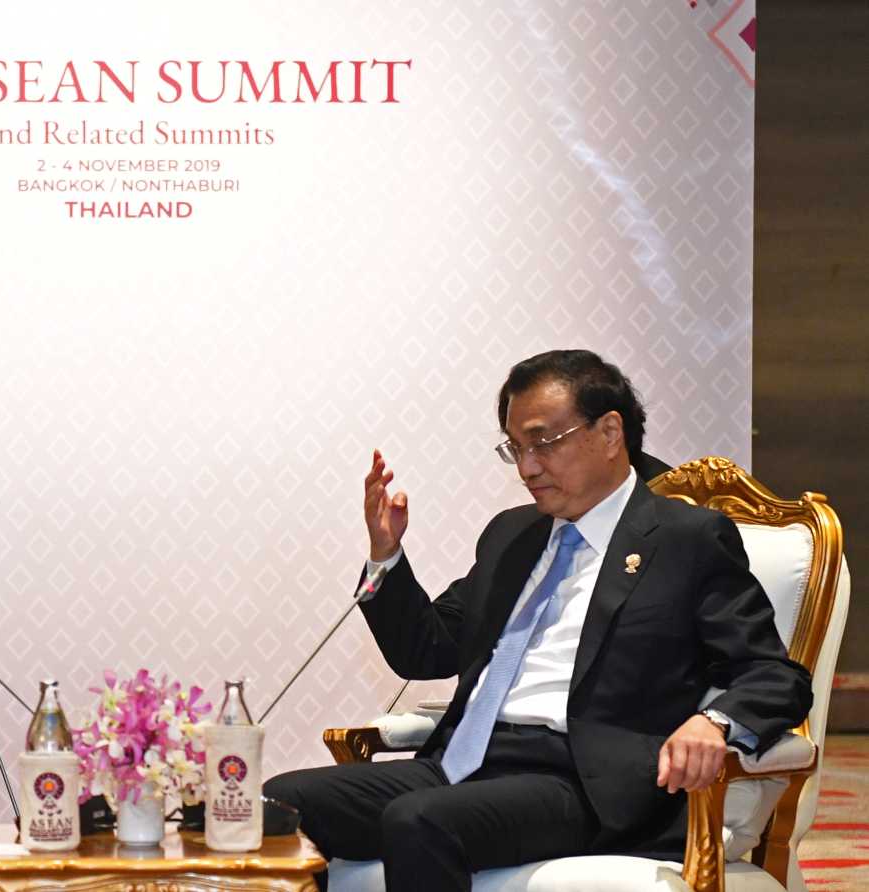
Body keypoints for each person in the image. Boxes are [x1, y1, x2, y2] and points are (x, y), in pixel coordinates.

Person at [263, 349, 811, 892]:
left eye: (543, 443)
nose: (527, 467)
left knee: (421, 821)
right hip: (463, 763)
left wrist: (713, 723)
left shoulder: (686, 538)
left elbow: (773, 674)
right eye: (515, 448)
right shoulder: (513, 534)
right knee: (279, 803)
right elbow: (426, 652)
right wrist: (386, 556)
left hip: (580, 780)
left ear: (609, 432)